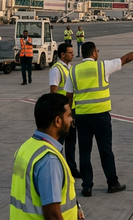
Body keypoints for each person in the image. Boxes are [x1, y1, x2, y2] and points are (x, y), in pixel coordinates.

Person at [65, 40, 133, 197]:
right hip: (100, 116)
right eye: (97, 51)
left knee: (84, 152)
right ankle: (112, 183)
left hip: (82, 117)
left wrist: (70, 116)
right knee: (105, 150)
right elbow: (125, 59)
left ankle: (87, 186)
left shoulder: (73, 71)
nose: (98, 53)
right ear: (93, 53)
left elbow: (69, 96)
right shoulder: (102, 66)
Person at [10, 93, 84, 220]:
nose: (71, 120)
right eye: (69, 116)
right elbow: (52, 214)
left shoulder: (26, 147)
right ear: (58, 121)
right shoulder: (49, 160)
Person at [50, 43, 80, 179]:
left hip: (71, 111)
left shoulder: (70, 68)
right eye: (70, 53)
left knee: (71, 142)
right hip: (62, 112)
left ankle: (72, 168)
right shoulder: (56, 69)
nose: (73, 54)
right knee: (59, 142)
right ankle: (57, 168)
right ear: (62, 54)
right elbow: (53, 93)